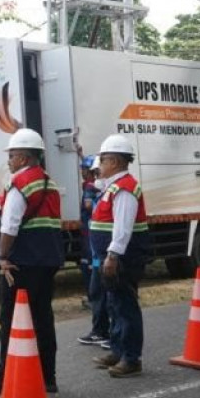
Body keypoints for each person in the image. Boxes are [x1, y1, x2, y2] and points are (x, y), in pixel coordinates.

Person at [0, 128, 64, 395]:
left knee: (11, 319)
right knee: (43, 318)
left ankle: (6, 375)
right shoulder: (48, 182)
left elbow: (10, 225)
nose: (9, 161)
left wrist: (1, 256)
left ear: (24, 158)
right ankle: (48, 377)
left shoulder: (20, 183)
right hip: (48, 259)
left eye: (12, 156)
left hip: (22, 262)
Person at [90, 134, 150, 378]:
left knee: (125, 305)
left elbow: (123, 228)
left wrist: (113, 255)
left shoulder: (125, 189)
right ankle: (118, 350)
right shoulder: (113, 186)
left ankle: (131, 358)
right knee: (114, 304)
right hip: (113, 256)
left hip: (124, 257)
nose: (100, 165)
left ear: (114, 162)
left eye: (103, 160)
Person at [77, 156, 111, 347]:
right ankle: (100, 331)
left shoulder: (106, 193)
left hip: (104, 254)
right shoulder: (101, 193)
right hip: (96, 252)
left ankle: (111, 335)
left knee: (106, 294)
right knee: (96, 291)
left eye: (97, 173)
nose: (96, 177)